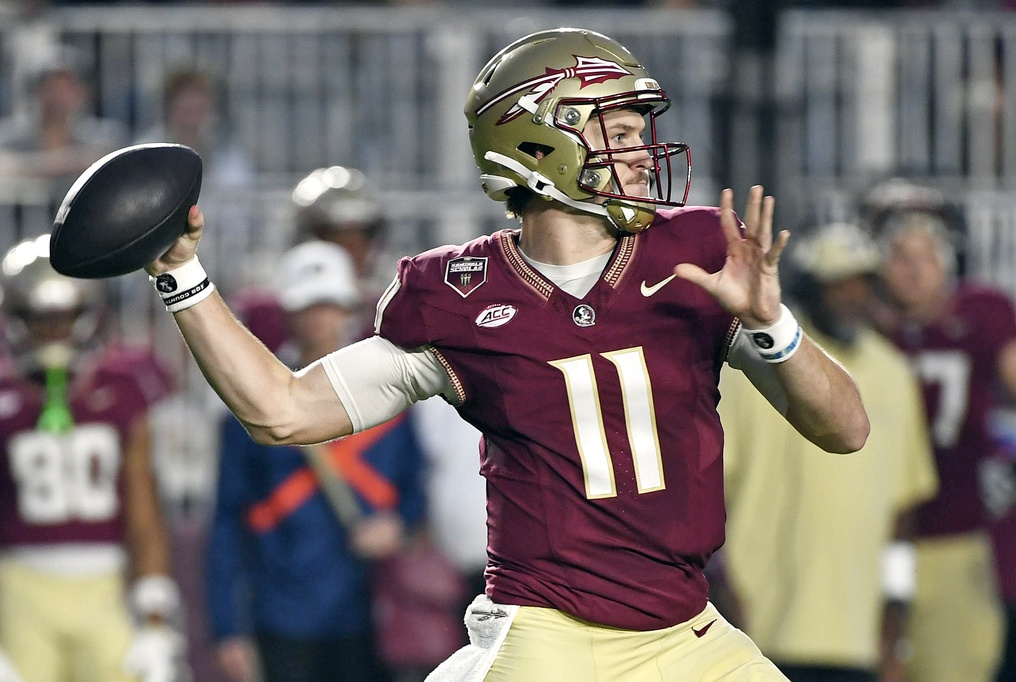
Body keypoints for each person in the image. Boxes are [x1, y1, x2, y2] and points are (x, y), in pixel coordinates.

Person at [145, 27, 869, 681]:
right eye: (616, 127)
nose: (644, 152)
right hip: (550, 637)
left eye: (639, 128)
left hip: (689, 633)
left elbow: (847, 431)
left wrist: (773, 327)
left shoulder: (701, 255)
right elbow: (282, 411)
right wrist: (183, 276)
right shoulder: (455, 294)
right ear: (537, 142)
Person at [716, 222, 938, 682]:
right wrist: (719, 591)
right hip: (758, 628)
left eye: (862, 283)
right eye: (838, 285)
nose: (852, 297)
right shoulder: (750, 367)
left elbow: (902, 513)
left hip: (859, 636)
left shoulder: (895, 375)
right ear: (810, 290)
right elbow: (713, 486)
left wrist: (894, 618)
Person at [205, 240, 426, 682]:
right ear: (288, 312)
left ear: (348, 309)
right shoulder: (250, 409)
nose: (321, 319)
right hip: (281, 614)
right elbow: (227, 523)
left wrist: (397, 526)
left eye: (331, 306)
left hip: (368, 611)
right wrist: (227, 629)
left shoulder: (391, 398)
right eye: (310, 307)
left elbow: (415, 488)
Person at [0, 234, 185, 682]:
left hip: (108, 584)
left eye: (63, 318)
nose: (52, 332)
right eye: (39, 319)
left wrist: (155, 617)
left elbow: (144, 510)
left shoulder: (120, 388)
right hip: (19, 586)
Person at [866, 178, 1015, 682]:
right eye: (898, 255)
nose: (911, 269)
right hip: (868, 535)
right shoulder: (860, 324)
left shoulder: (980, 315)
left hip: (954, 535)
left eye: (925, 253)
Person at [0, 48, 128, 196]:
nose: (59, 95)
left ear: (82, 92)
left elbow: (113, 164)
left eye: (68, 87)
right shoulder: (11, 136)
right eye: (51, 87)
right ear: (36, 91)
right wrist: (63, 163)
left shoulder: (102, 136)